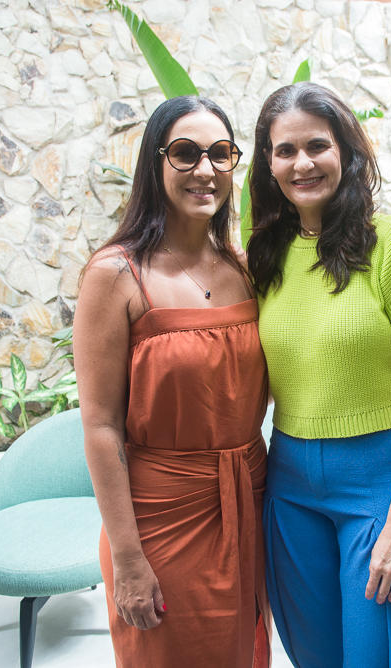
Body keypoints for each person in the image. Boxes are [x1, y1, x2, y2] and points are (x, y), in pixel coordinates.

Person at [246, 82, 391, 668]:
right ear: (268, 164)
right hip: (290, 487)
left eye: (317, 146)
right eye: (285, 150)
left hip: (383, 485)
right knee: (314, 658)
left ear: (346, 151)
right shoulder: (263, 255)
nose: (302, 163)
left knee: (378, 658)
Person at [75, 96, 271, 668]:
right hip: (161, 520)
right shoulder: (116, 274)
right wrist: (128, 558)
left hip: (249, 501)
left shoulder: (245, 267)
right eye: (185, 153)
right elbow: (101, 428)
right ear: (155, 162)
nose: (205, 169)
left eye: (220, 153)